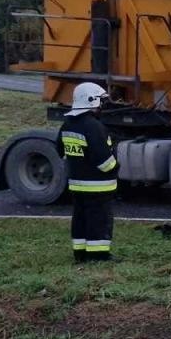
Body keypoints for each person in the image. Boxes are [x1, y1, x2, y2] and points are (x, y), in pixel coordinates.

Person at [58, 81, 119, 264]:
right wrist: (115, 169)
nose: (102, 105)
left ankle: (81, 254)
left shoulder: (67, 124)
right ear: (91, 101)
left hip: (77, 184)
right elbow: (104, 160)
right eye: (100, 101)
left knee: (80, 218)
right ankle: (98, 256)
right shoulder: (94, 126)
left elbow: (60, 150)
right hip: (98, 186)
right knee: (99, 220)